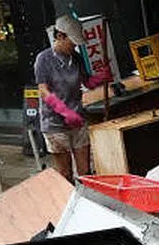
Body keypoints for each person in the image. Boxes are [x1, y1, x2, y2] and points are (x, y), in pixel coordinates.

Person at [34, 24, 111, 180]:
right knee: (65, 173)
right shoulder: (44, 59)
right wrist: (64, 111)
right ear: (60, 36)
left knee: (85, 172)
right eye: (72, 42)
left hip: (78, 120)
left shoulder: (76, 57)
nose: (74, 46)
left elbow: (87, 82)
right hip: (55, 125)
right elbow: (43, 90)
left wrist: (101, 77)